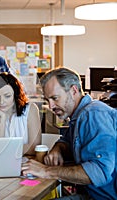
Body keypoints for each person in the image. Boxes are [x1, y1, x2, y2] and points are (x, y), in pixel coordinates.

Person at [21, 67, 117, 199]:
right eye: (48, 100)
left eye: (55, 98)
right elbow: (68, 141)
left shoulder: (93, 115)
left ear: (73, 90)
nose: (51, 106)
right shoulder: (78, 116)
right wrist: (59, 148)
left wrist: (46, 171)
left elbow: (99, 172)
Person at [0, 73, 41, 155]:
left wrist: (4, 149)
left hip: (28, 162)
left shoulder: (31, 109)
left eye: (7, 96)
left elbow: (34, 148)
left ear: (15, 95)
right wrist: (2, 119)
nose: (1, 102)